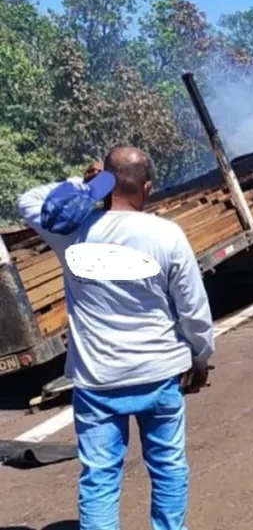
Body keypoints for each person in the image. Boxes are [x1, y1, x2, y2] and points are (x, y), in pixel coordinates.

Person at [16, 147, 214, 530]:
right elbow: (193, 309)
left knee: (100, 477)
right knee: (168, 465)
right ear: (147, 187)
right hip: (159, 374)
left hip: (98, 381)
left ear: (106, 184)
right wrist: (201, 357)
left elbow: (28, 201)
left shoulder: (74, 234)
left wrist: (84, 183)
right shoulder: (166, 234)